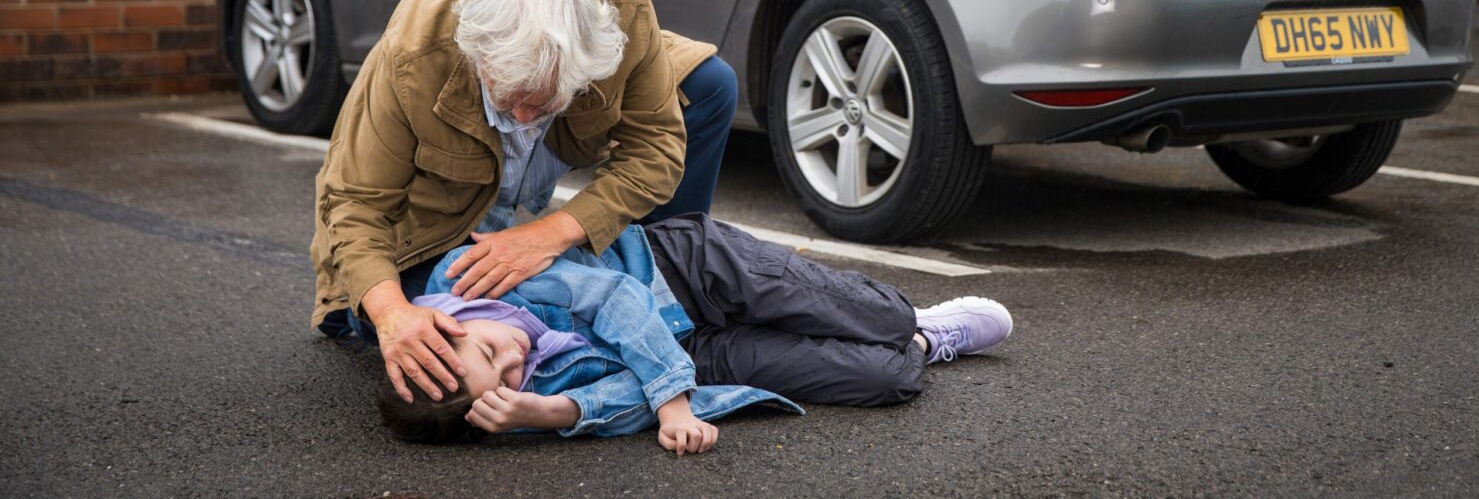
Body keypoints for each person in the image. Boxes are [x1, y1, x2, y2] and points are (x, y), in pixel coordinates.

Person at [310, 0, 739, 405]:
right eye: (507, 95)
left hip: (569, 103)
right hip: (439, 216)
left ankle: (674, 287)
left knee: (709, 83)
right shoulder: (414, 55)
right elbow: (356, 204)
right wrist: (390, 312)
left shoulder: (624, 5)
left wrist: (551, 234)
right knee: (430, 337)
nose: (521, 115)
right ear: (477, 55)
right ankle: (605, 350)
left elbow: (655, 149)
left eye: (542, 101)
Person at [374, 213, 1014, 452]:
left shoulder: (473, 282)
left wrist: (672, 402)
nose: (516, 357)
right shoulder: (526, 395)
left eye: (490, 347)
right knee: (888, 376)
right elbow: (628, 391)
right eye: (508, 377)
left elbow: (618, 299)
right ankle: (930, 344)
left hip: (684, 272)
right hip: (688, 352)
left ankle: (913, 320)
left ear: (447, 323)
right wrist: (556, 410)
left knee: (884, 320)